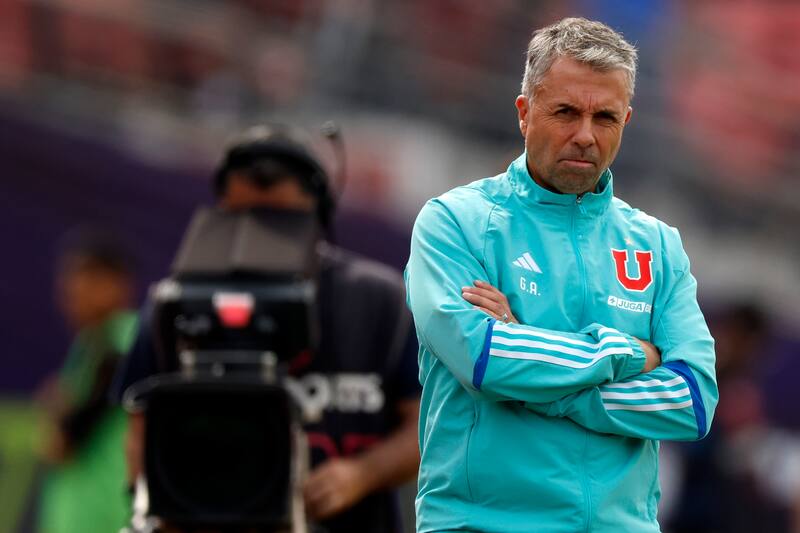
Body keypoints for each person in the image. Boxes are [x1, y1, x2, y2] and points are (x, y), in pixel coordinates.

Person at [404, 17, 718, 533]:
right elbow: (483, 358)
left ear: (627, 121)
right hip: (483, 523)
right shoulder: (454, 222)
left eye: (606, 118)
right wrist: (628, 355)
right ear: (525, 113)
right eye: (566, 112)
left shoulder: (659, 246)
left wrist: (532, 355)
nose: (585, 136)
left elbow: (692, 401)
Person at [112, 125, 421, 533]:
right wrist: (152, 503)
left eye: (282, 220)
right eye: (243, 217)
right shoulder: (175, 301)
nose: (260, 232)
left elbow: (428, 423)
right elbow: (140, 422)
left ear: (319, 215)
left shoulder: (379, 299)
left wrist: (360, 475)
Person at [36, 230, 138, 533]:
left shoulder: (120, 340)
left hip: (106, 517)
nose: (72, 289)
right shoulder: (89, 345)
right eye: (69, 277)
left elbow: (62, 442)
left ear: (118, 283)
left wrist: (57, 411)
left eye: (87, 276)